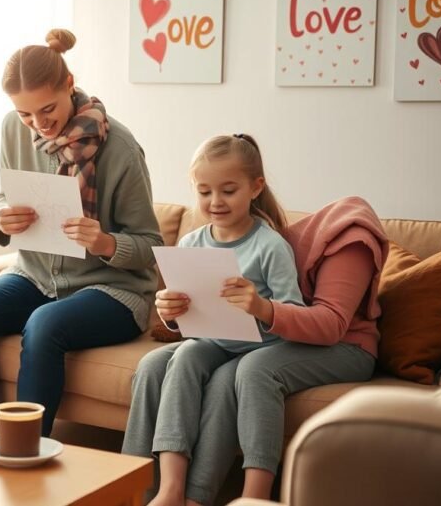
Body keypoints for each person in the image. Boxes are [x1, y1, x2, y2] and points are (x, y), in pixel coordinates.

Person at [122, 143, 387, 506]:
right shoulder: (191, 242)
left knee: (240, 372)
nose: (216, 200)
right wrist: (170, 312)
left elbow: (295, 311)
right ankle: (137, 490)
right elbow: (191, 319)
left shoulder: (270, 245)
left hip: (262, 345)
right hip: (217, 341)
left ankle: (208, 496)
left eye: (228, 191)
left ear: (255, 188)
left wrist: (260, 307)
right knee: (159, 363)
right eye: (204, 192)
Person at [0, 28, 163, 436]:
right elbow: (3, 195)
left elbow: (152, 247)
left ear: (69, 85)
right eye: (26, 114)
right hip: (34, 276)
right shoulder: (12, 128)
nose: (38, 124)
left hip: (113, 290)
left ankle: (24, 444)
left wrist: (106, 242)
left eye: (47, 110)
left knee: (44, 324)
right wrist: (2, 216)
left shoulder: (121, 149)